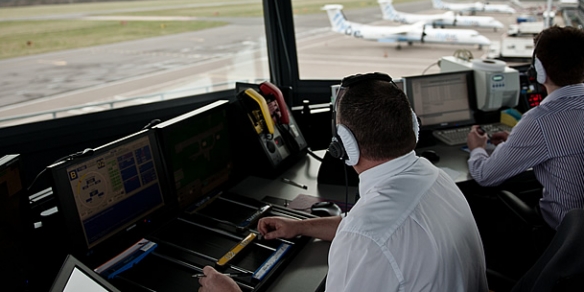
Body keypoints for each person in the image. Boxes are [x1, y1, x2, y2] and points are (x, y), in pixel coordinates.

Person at [198, 73, 487, 292]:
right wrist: (299, 227)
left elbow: (368, 234)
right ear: (413, 125)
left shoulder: (365, 237)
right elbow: (366, 228)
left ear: (344, 144)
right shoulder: (435, 178)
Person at [467, 25, 584, 230]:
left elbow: (485, 176)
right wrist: (516, 139)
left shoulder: (540, 120)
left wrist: (476, 148)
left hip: (566, 237)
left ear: (539, 70)